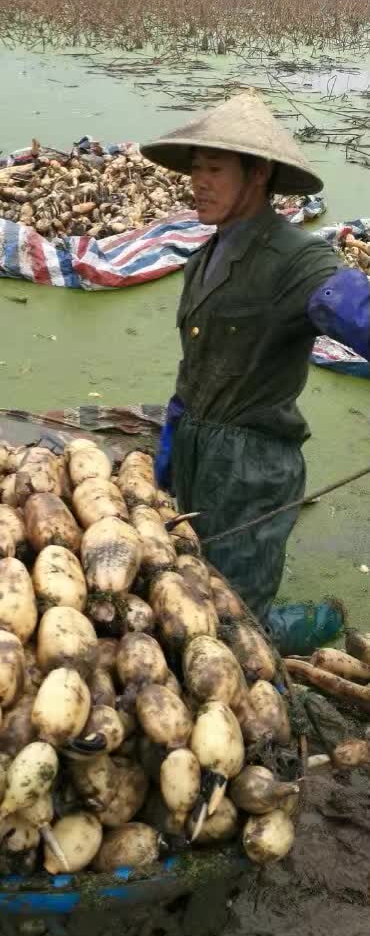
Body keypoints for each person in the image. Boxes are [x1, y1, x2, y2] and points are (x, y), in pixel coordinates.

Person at [140, 91, 369, 625]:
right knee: (192, 591)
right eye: (196, 168)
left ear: (259, 174)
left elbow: (354, 309)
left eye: (215, 169)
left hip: (252, 468)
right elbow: (196, 366)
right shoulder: (204, 259)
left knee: (236, 619)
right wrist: (173, 440)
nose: (199, 182)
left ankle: (318, 622)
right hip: (198, 450)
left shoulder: (296, 258)